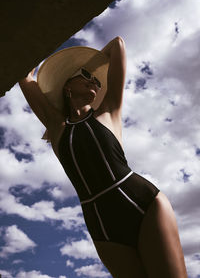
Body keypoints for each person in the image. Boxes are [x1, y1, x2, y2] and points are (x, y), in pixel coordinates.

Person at [19, 36, 188, 278]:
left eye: (98, 80)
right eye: (88, 77)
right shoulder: (56, 126)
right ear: (67, 86)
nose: (96, 83)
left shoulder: (109, 110)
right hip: (100, 222)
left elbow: (117, 44)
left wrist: (90, 64)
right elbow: (25, 78)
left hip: (143, 204)